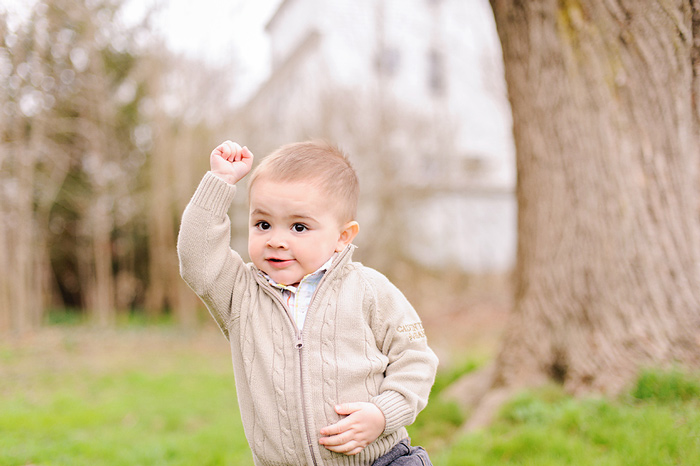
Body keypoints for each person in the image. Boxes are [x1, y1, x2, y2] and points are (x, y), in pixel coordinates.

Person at [177, 140, 438, 465]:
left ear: (342, 236)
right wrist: (220, 181)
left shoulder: (369, 290)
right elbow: (197, 259)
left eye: (299, 227)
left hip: (382, 459)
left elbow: (415, 359)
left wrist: (383, 414)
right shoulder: (241, 293)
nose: (276, 240)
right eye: (263, 224)